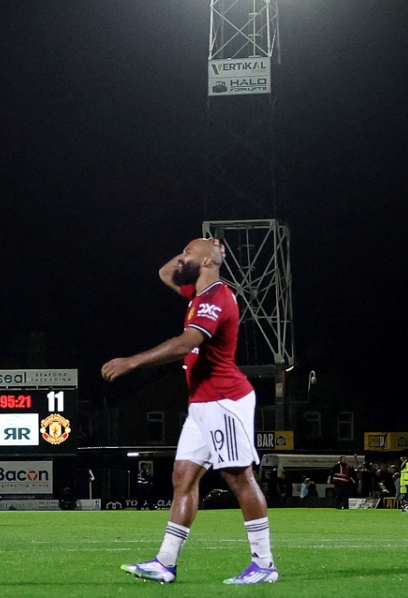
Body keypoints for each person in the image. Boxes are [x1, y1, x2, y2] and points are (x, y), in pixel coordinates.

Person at [103, 237, 278, 585]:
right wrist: (193, 255)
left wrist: (132, 361)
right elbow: (164, 272)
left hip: (224, 400)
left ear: (211, 261)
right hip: (202, 403)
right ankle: (165, 562)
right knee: (183, 477)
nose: (181, 257)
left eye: (188, 251)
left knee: (238, 477)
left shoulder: (217, 298)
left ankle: (264, 564)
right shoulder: (198, 294)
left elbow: (187, 342)